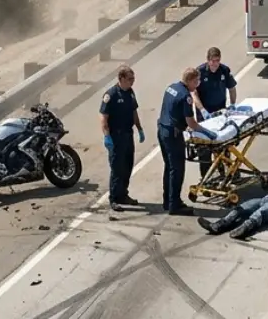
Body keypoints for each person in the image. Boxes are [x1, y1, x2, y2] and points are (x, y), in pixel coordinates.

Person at [157, 68, 217, 216]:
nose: (198, 84)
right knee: (177, 169)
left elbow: (171, 111)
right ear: (190, 80)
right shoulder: (186, 96)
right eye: (196, 81)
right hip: (173, 135)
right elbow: (191, 122)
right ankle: (175, 205)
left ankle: (168, 201)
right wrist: (205, 132)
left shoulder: (171, 88)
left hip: (162, 130)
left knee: (169, 167)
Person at [100, 65, 144, 213]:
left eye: (134, 78)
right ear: (121, 79)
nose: (133, 82)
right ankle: (113, 198)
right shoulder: (110, 95)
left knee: (127, 166)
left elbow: (134, 111)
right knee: (117, 168)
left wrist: (139, 128)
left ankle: (123, 194)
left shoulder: (130, 92)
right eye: (130, 79)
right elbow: (103, 118)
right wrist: (107, 137)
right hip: (116, 136)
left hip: (127, 133)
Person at [191, 47, 238, 179]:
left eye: (217, 60)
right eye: (213, 61)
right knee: (204, 147)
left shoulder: (224, 70)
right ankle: (206, 176)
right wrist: (202, 110)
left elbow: (232, 88)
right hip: (205, 116)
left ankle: (226, 172)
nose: (215, 64)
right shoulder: (199, 72)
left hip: (220, 114)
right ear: (208, 60)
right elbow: (194, 94)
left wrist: (233, 105)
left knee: (223, 143)